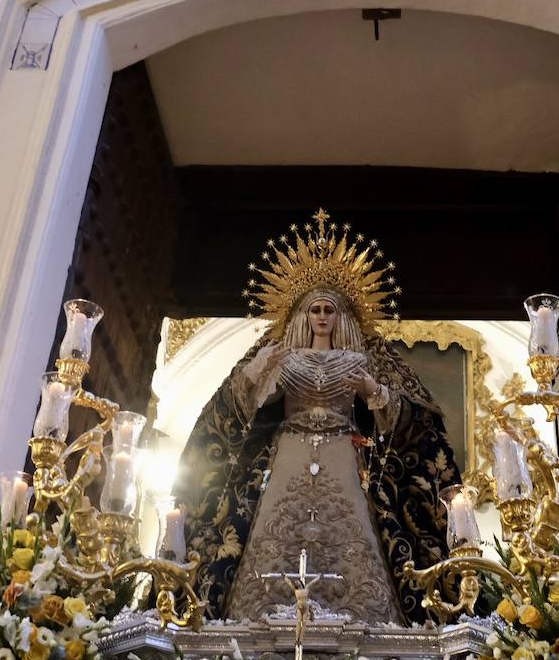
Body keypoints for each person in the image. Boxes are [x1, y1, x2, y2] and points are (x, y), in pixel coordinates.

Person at [174, 211, 459, 624]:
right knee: (276, 531)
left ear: (340, 316)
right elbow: (243, 406)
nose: (321, 316)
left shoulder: (360, 360)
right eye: (314, 310)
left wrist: (373, 392)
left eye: (329, 309)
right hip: (288, 452)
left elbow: (410, 416)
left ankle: (364, 616)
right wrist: (254, 375)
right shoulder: (282, 357)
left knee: (352, 532)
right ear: (301, 317)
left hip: (343, 453)